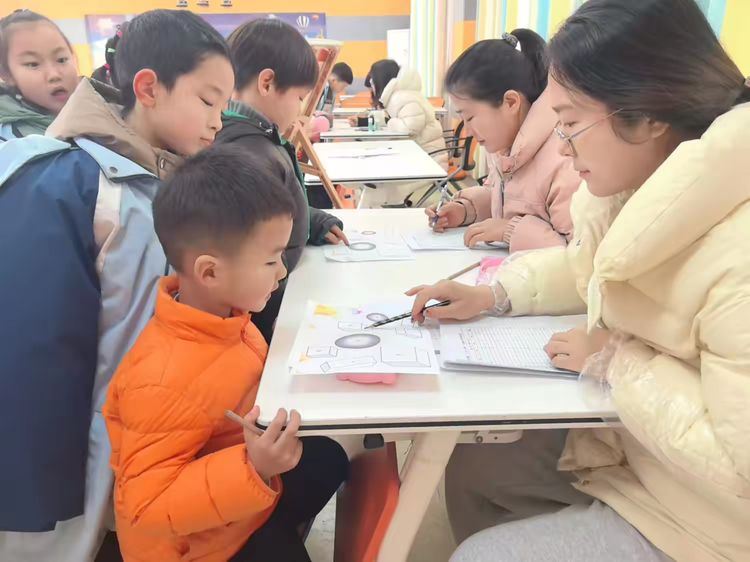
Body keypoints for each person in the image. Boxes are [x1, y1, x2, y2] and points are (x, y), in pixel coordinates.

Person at [408, 1, 750, 561]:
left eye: (570, 124)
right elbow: (591, 269)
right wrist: (492, 295)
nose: (563, 147)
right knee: (476, 466)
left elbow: (740, 465)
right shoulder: (636, 189)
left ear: (647, 115)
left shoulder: (737, 249)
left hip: (706, 522)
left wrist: (616, 361)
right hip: (636, 452)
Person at [0, 10, 234, 562]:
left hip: (132, 449)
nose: (218, 122)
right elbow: (34, 354)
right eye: (207, 101)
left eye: (224, 108)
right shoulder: (68, 183)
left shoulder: (158, 179)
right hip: (65, 471)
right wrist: (41, 487)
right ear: (148, 88)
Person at [104, 144, 349, 562]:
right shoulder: (162, 380)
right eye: (271, 261)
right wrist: (253, 467)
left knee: (327, 458)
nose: (282, 271)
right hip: (194, 548)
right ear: (211, 272)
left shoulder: (227, 319)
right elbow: (146, 506)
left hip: (235, 502)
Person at [216, 18, 347, 342]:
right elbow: (251, 251)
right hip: (263, 313)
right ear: (267, 83)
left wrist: (313, 222)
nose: (300, 109)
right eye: (299, 97)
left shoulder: (255, 140)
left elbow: (275, 210)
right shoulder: (250, 152)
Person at [427, 31, 580, 253]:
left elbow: (578, 254)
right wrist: (465, 209)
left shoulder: (565, 160)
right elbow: (505, 199)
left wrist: (510, 230)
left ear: (510, 102)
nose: (467, 131)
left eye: (470, 117)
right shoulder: (506, 147)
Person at [363, 59, 448, 207]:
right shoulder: (402, 96)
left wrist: (389, 121)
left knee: (376, 182)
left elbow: (409, 130)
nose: (372, 87)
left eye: (372, 82)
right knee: (374, 177)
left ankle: (372, 212)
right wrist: (374, 118)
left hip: (429, 161)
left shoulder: (403, 98)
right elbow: (401, 120)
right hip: (423, 156)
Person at [0, 9, 78, 139]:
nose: (54, 75)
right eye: (33, 64)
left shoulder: (105, 111)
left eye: (61, 60)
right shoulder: (8, 141)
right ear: (7, 74)